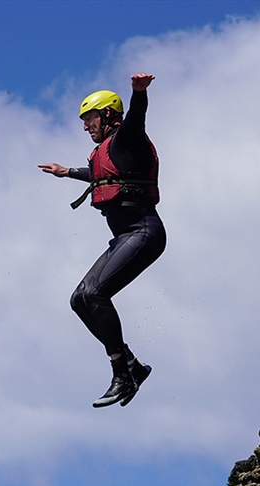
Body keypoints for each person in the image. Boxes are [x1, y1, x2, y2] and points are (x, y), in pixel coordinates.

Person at [38, 73, 166, 408]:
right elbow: (99, 174)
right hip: (125, 236)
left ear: (109, 115)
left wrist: (139, 93)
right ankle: (131, 365)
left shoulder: (128, 138)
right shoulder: (108, 153)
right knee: (80, 299)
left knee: (94, 293)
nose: (85, 127)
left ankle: (122, 373)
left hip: (144, 232)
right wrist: (67, 172)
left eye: (89, 119)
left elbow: (137, 118)